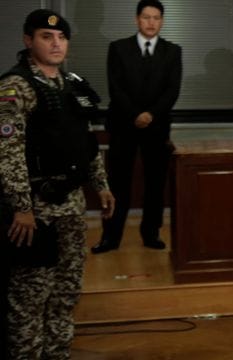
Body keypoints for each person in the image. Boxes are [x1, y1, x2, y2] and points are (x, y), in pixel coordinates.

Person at [0, 9, 115, 358]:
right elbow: (8, 151)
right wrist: (22, 207)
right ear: (28, 41)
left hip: (71, 205)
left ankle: (58, 353)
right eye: (46, 37)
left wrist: (102, 184)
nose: (56, 43)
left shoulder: (73, 86)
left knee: (66, 290)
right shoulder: (15, 87)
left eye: (62, 37)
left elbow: (87, 143)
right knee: (30, 295)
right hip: (36, 210)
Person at [92, 0, 182, 254]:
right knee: (118, 184)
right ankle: (110, 237)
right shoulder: (118, 48)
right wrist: (136, 114)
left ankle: (151, 233)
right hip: (123, 125)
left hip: (157, 127)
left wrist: (151, 114)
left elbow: (172, 90)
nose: (151, 22)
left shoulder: (172, 51)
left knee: (155, 184)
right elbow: (115, 88)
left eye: (156, 18)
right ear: (137, 20)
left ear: (162, 21)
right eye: (146, 17)